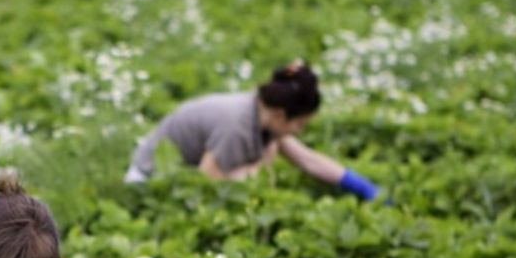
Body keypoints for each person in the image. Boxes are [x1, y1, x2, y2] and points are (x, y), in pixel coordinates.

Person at [123, 62, 380, 200]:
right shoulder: (237, 126)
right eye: (300, 124)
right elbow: (204, 183)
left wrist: (358, 184)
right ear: (281, 115)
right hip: (147, 183)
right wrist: (257, 171)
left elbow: (307, 160)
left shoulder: (262, 115)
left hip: (176, 178)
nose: (299, 132)